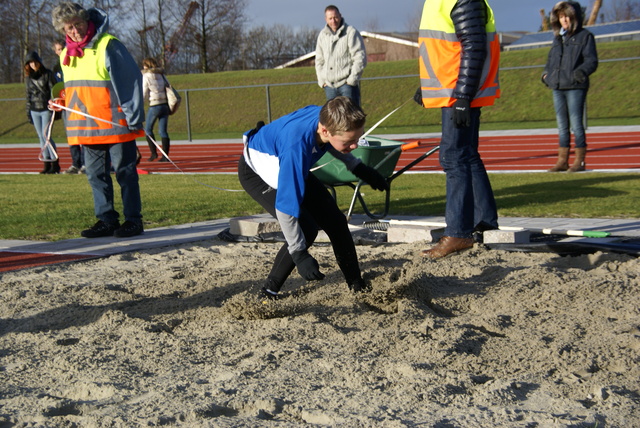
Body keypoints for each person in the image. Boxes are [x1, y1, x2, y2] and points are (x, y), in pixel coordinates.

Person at [238, 96, 388, 300]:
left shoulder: (328, 116)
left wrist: (357, 166)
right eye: (349, 142)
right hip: (256, 172)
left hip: (286, 160)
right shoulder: (296, 147)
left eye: (356, 140)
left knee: (335, 220)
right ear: (324, 130)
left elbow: (335, 140)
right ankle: (268, 292)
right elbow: (285, 208)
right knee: (305, 229)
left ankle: (357, 286)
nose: (354, 146)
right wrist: (300, 254)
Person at [51, 2, 145, 238]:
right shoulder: (65, 54)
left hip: (115, 124)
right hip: (86, 128)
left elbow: (130, 82)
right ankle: (107, 220)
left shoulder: (108, 45)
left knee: (125, 173)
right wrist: (60, 101)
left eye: (78, 24)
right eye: (69, 28)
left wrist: (134, 117)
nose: (75, 31)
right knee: (95, 175)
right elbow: (72, 89)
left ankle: (133, 220)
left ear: (87, 20)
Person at [415, 0, 501, 259]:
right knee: (467, 155)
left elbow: (474, 47)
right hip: (455, 89)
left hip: (459, 93)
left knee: (453, 157)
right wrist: (428, 87)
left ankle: (458, 233)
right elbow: (444, 50)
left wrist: (463, 96)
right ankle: (483, 221)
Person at [542, 1, 598, 172]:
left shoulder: (585, 36)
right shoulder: (558, 38)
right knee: (562, 126)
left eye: (566, 16)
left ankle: (579, 162)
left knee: (576, 125)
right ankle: (562, 161)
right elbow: (551, 61)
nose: (563, 20)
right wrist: (545, 76)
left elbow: (591, 61)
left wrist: (578, 74)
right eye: (560, 17)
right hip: (557, 86)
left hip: (575, 87)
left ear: (574, 17)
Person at [315, 5, 367, 107]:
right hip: (329, 87)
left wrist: (351, 80)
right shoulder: (322, 35)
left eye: (335, 17)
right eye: (330, 18)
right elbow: (319, 60)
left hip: (347, 86)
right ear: (326, 19)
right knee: (334, 121)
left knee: (352, 119)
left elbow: (360, 57)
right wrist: (322, 81)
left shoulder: (351, 32)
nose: (333, 21)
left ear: (340, 16)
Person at [52, 39, 85, 175]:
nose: (61, 52)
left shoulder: (75, 62)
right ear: (55, 52)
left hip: (79, 102)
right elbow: (57, 87)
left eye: (62, 48)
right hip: (66, 105)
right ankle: (75, 163)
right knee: (71, 135)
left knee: (83, 132)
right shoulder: (56, 68)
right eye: (58, 50)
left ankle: (85, 163)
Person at [24, 51, 60, 174]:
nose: (33, 64)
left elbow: (53, 90)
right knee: (41, 137)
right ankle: (46, 163)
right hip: (35, 109)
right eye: (30, 63)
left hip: (45, 109)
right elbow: (28, 96)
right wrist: (28, 112)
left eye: (34, 62)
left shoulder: (47, 74)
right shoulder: (28, 79)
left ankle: (55, 163)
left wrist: (53, 105)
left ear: (39, 62)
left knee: (46, 137)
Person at [142, 57, 171, 162]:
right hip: (165, 104)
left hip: (155, 104)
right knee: (163, 131)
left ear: (147, 65)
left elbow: (144, 92)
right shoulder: (161, 75)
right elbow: (168, 86)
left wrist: (141, 103)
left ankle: (154, 153)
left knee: (148, 129)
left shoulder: (146, 76)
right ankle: (165, 156)